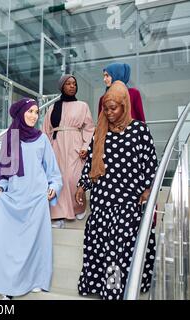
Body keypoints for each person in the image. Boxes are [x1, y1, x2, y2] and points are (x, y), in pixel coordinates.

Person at [75, 81, 157, 300]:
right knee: (99, 249)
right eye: (106, 109)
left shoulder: (139, 130)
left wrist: (148, 188)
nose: (109, 113)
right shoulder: (100, 133)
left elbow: (150, 164)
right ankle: (97, 285)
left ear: (125, 106)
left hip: (128, 205)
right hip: (102, 203)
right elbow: (91, 163)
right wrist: (82, 186)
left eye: (114, 108)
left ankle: (114, 290)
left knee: (116, 252)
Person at [0, 98, 63, 300]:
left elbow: (52, 171)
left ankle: (36, 279)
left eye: (37, 112)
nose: (34, 116)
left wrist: (53, 187)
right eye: (30, 111)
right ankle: (8, 285)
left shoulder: (42, 139)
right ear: (21, 113)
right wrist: (0, 187)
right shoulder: (11, 138)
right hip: (14, 200)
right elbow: (3, 172)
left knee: (37, 244)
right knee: (10, 245)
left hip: (37, 199)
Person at [42, 74, 95, 228]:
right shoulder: (52, 108)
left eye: (74, 83)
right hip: (56, 146)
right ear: (62, 87)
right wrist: (46, 151)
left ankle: (79, 206)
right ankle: (58, 216)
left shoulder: (82, 106)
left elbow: (90, 128)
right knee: (58, 179)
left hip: (75, 146)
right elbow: (46, 131)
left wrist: (85, 147)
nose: (72, 86)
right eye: (68, 84)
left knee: (74, 178)